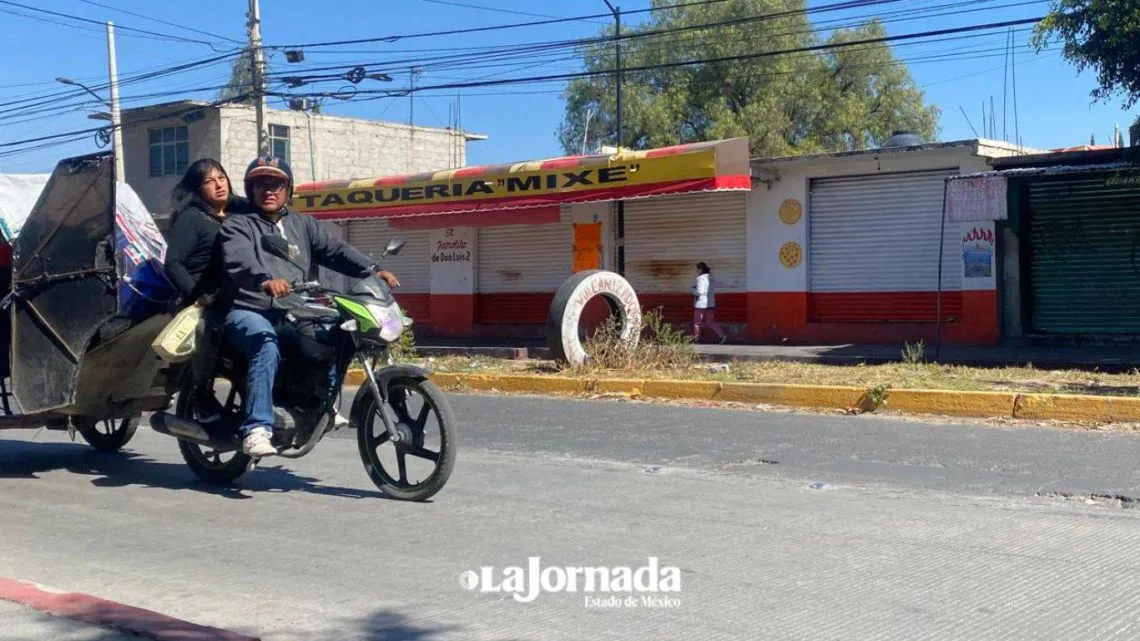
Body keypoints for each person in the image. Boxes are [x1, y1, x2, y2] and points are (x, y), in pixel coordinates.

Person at [219, 155, 400, 458]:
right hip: (249, 307)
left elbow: (335, 250)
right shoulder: (239, 225)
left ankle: (320, 402)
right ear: (251, 189)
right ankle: (256, 428)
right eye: (261, 184)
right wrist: (265, 279)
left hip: (292, 307)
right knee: (266, 344)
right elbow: (239, 259)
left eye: (276, 184)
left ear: (288, 189)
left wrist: (370, 270)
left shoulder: (302, 224)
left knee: (336, 332)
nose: (269, 190)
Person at [163, 159, 248, 422]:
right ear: (198, 189)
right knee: (210, 330)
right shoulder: (192, 218)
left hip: (239, 294)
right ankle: (200, 395)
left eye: (221, 177)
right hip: (205, 299)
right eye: (209, 181)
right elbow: (173, 262)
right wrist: (196, 296)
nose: (218, 184)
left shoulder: (240, 212)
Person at [691, 262, 727, 344]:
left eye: (697, 269)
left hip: (701, 304)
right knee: (710, 322)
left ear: (700, 269)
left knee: (697, 322)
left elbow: (700, 292)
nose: (696, 271)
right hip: (711, 303)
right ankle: (722, 335)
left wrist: (692, 289)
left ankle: (696, 339)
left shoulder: (700, 278)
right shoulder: (712, 278)